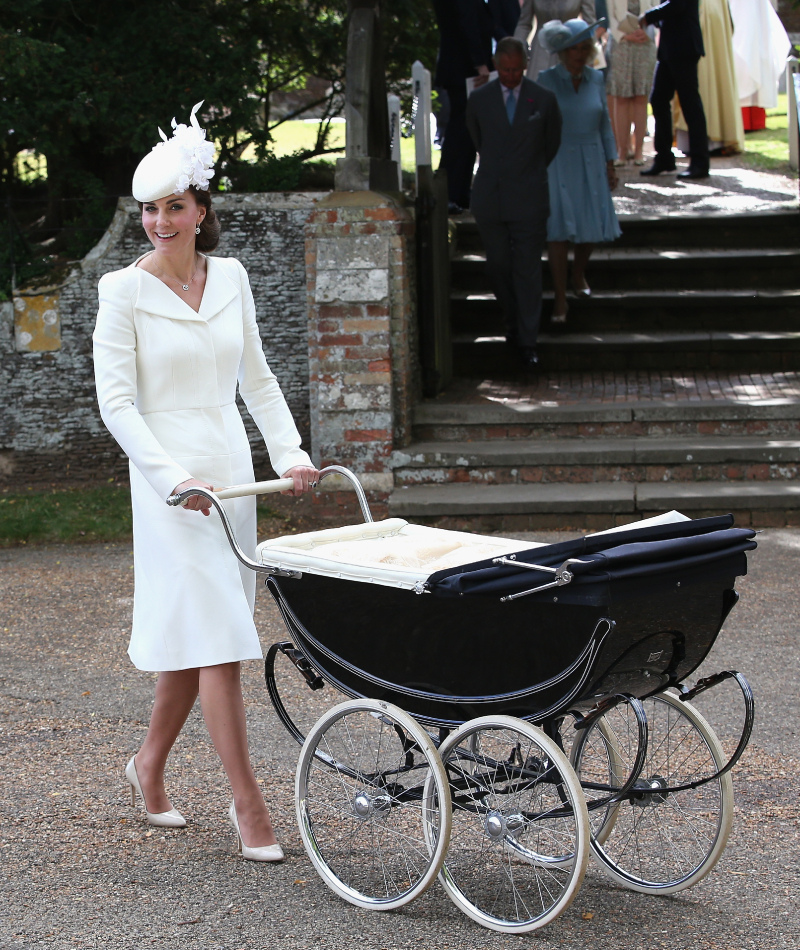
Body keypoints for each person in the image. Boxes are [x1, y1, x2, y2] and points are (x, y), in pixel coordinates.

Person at [93, 102, 319, 863]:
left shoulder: (232, 277)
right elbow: (117, 405)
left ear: (200, 210)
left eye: (174, 207)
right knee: (222, 641)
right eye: (149, 210)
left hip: (230, 476)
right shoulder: (121, 293)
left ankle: (148, 765)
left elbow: (258, 380)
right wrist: (170, 478)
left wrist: (288, 454)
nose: (160, 222)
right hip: (168, 484)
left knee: (200, 637)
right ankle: (248, 805)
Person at [466, 36, 562, 371]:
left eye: (516, 70)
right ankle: (512, 320)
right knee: (498, 266)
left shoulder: (544, 100)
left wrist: (527, 173)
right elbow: (477, 139)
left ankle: (528, 340)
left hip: (529, 197)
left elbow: (551, 144)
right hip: (491, 198)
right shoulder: (479, 100)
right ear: (496, 65)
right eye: (504, 70)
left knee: (528, 269)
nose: (510, 75)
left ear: (524, 65)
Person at [536, 19, 621, 323]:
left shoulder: (597, 79)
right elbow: (536, 125)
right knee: (558, 229)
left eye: (586, 47)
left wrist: (611, 163)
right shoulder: (545, 80)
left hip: (592, 155)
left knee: (591, 225)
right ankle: (560, 296)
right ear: (562, 51)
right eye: (575, 47)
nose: (581, 53)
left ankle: (579, 273)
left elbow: (605, 124)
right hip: (558, 158)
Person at [432, 0, 495, 213]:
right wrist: (479, 62)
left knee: (467, 131)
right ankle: (448, 193)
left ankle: (459, 192)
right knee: (460, 131)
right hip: (464, 67)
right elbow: (466, 21)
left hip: (462, 66)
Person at [638, 0, 709, 179]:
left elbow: (678, 4)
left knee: (690, 104)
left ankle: (700, 162)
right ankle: (664, 158)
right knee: (658, 99)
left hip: (684, 46)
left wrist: (649, 16)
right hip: (671, 47)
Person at [674, 0, 744, 156]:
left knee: (702, 78)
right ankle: (697, 141)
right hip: (702, 15)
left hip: (706, 17)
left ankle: (709, 140)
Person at [606, 0, 657, 165]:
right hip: (621, 44)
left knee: (641, 97)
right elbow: (611, 17)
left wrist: (647, 32)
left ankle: (639, 152)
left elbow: (656, 11)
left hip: (645, 43)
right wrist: (624, 35)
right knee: (621, 97)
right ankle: (621, 151)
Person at [514, 0, 597, 80]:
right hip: (541, 51)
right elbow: (524, 24)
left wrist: (587, 56)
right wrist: (515, 51)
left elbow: (590, 26)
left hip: (570, 51)